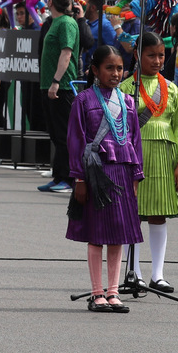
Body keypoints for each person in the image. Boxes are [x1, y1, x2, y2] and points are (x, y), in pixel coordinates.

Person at [67, 45, 143, 312]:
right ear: (95, 70)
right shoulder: (84, 100)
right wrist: (79, 178)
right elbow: (76, 141)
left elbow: (135, 140)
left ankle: (113, 292)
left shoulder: (129, 102)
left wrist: (137, 175)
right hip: (96, 173)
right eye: (109, 68)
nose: (115, 73)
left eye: (120, 68)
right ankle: (96, 292)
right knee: (96, 234)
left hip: (122, 172)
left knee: (118, 235)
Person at [122, 33, 178, 292]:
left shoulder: (172, 90)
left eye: (162, 55)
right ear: (138, 55)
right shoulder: (126, 88)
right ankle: (135, 272)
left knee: (158, 215)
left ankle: (158, 274)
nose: (158, 60)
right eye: (151, 55)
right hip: (136, 155)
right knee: (134, 214)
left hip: (165, 156)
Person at [38, 0, 81, 193]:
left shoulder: (66, 23)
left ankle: (68, 177)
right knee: (56, 133)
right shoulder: (55, 22)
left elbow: (66, 54)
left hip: (62, 86)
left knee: (64, 133)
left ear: (52, 2)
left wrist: (56, 81)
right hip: (49, 85)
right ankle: (58, 175)